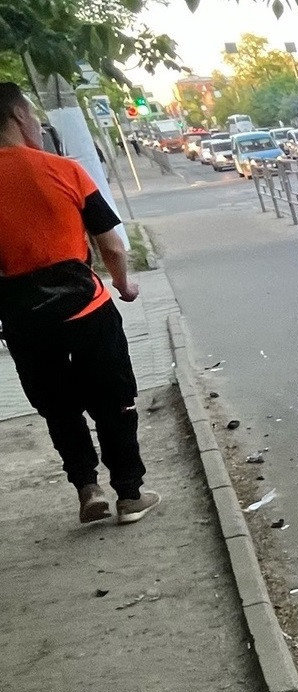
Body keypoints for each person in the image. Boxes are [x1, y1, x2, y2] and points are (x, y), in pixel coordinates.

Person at [0, 82, 160, 525]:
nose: (36, 123)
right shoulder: (64, 171)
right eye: (31, 115)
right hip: (87, 313)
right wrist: (125, 286)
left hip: (25, 322)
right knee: (114, 399)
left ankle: (87, 490)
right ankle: (129, 494)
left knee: (57, 406)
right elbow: (110, 243)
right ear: (17, 117)